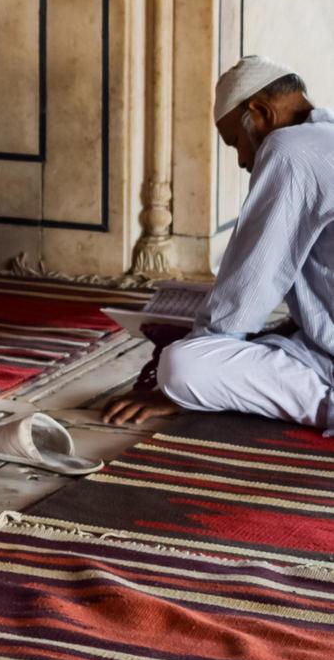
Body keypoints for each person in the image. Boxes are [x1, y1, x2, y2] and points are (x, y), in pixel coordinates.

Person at [105, 55, 334, 432]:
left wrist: (181, 384)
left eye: (236, 143)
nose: (244, 159)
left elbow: (252, 280)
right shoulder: (322, 139)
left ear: (260, 112)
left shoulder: (289, 149)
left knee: (183, 367)